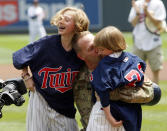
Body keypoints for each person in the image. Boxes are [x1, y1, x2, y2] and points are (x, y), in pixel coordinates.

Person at [12, 7, 89, 131]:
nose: (61, 21)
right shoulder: (46, 44)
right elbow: (18, 57)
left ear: (77, 26)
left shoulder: (81, 48)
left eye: (67, 20)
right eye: (60, 18)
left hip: (65, 107)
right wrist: (26, 76)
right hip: (40, 101)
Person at [128, 0, 166, 84]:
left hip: (154, 42)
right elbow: (133, 23)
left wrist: (146, 12)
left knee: (155, 70)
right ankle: (139, 95)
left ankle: (155, 95)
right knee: (136, 70)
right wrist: (138, 13)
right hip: (138, 42)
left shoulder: (158, 3)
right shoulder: (138, 3)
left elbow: (158, 22)